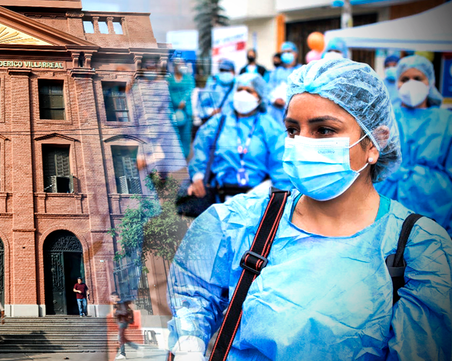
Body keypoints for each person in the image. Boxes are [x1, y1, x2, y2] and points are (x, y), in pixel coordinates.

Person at [167, 58, 452, 360]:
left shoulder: (419, 250)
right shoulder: (245, 221)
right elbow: (192, 297)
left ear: (374, 143)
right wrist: (188, 345)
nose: (301, 143)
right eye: (292, 130)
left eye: (324, 130)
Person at [187, 72, 291, 205]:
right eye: (239, 89)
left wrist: (278, 198)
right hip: (220, 199)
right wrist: (198, 177)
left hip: (257, 201)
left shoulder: (269, 127)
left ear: (259, 97)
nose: (243, 94)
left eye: (249, 91)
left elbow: (280, 165)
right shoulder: (218, 122)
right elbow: (201, 149)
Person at [376, 55, 452, 235]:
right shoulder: (387, 118)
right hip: (388, 193)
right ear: (397, 84)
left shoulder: (446, 120)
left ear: (430, 82)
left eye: (417, 78)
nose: (411, 83)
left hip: (434, 201)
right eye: (405, 79)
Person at [167, 58, 196, 158]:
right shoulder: (169, 79)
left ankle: (185, 155)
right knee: (174, 135)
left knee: (186, 135)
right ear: (174, 67)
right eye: (179, 65)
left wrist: (183, 101)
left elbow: (190, 89)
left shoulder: (189, 78)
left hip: (186, 111)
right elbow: (168, 92)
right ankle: (175, 156)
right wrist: (176, 102)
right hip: (173, 111)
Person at [268, 41, 302, 123]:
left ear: (296, 54)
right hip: (275, 112)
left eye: (289, 52)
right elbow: (268, 89)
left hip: (295, 111)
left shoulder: (301, 71)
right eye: (284, 52)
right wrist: (274, 100)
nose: (286, 54)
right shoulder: (275, 72)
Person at [197, 59, 237, 123]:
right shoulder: (238, 83)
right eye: (223, 71)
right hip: (231, 125)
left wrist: (210, 111)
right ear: (233, 72)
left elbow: (201, 105)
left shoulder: (212, 82)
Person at [111, 292, 141, 360]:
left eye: (113, 297)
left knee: (121, 337)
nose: (112, 299)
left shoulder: (121, 303)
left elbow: (124, 312)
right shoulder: (116, 304)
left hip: (123, 322)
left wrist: (116, 312)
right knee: (122, 338)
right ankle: (138, 348)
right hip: (121, 322)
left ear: (116, 296)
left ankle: (122, 354)